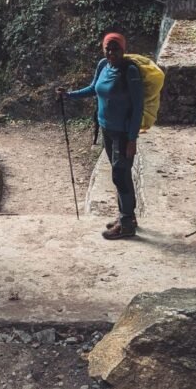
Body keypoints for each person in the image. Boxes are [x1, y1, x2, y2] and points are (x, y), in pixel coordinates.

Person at [58, 32, 143, 239]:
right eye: (108, 48)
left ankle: (126, 225)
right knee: (119, 174)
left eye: (116, 48)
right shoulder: (103, 65)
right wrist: (69, 95)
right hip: (106, 129)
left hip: (123, 134)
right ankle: (127, 217)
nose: (111, 52)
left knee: (120, 175)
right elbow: (93, 88)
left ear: (123, 49)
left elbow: (138, 107)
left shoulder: (130, 72)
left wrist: (132, 139)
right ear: (103, 49)